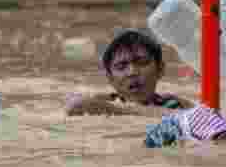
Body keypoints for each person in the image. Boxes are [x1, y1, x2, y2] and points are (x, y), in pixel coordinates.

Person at [65, 29, 194, 116]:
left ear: (160, 70)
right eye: (121, 67)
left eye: (142, 63)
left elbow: (199, 118)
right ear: (110, 78)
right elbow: (74, 105)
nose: (132, 72)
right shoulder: (105, 102)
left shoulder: (175, 104)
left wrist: (117, 110)